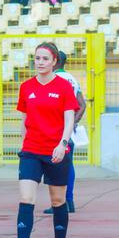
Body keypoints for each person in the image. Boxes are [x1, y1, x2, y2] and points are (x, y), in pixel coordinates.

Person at [4, 42, 79, 238]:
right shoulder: (26, 87)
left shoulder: (64, 86)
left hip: (56, 151)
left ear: (54, 61)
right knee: (26, 199)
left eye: (45, 59)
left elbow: (69, 119)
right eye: (37, 58)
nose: (41, 63)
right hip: (31, 151)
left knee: (58, 201)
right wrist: (23, 144)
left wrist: (63, 144)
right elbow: (24, 120)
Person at [43, 50, 86, 214]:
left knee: (56, 166)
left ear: (54, 61)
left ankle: (60, 203)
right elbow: (82, 105)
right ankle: (69, 200)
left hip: (56, 131)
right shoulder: (72, 78)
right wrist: (73, 123)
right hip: (69, 132)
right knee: (68, 165)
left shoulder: (55, 79)